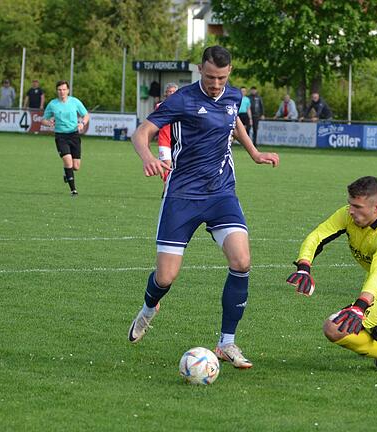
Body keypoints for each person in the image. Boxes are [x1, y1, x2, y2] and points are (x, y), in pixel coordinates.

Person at [128, 46, 280, 369]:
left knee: (242, 260)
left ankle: (226, 343)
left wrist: (254, 153)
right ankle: (148, 308)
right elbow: (141, 133)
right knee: (166, 277)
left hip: (221, 193)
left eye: (221, 78)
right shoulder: (181, 99)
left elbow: (233, 122)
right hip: (182, 196)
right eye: (210, 77)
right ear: (200, 69)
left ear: (230, 72)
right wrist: (149, 158)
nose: (215, 83)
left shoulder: (233, 96)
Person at [286, 176, 377, 371]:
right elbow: (318, 236)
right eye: (350, 204)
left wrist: (360, 307)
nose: (351, 211)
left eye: (358, 207)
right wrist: (304, 266)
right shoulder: (348, 215)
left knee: (334, 329)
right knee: (375, 319)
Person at [40, 80, 89, 196]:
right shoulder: (53, 104)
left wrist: (82, 123)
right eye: (59, 90)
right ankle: (73, 190)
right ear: (57, 91)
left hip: (74, 135)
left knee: (75, 166)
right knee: (68, 162)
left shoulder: (75, 101)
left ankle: (66, 172)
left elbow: (86, 115)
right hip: (61, 136)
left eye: (64, 89)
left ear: (68, 90)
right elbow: (43, 120)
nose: (62, 92)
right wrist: (49, 123)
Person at [155, 82, 178, 182]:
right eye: (169, 91)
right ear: (166, 94)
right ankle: (166, 190)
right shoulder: (160, 106)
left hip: (177, 141)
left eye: (174, 91)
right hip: (164, 141)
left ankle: (168, 188)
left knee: (175, 167)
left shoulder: (182, 107)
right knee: (168, 166)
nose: (171, 93)